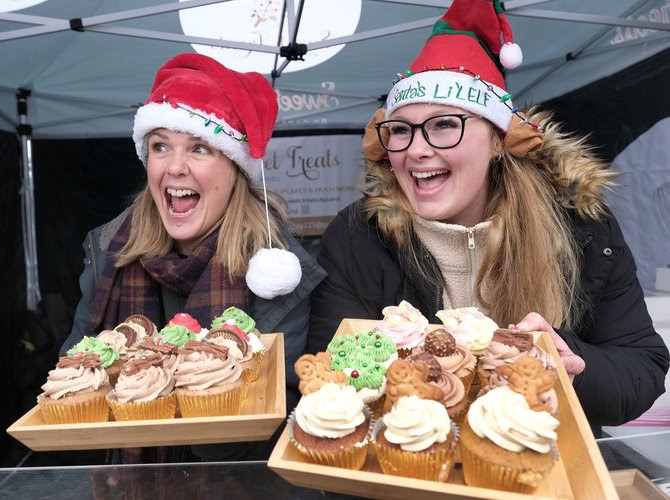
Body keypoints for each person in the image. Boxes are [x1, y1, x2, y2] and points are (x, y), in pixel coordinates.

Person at [309, 0, 669, 435]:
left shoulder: (582, 227)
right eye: (400, 130)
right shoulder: (356, 237)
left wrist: (571, 363)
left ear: (499, 140)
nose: (417, 150)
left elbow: (642, 367)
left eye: (444, 125)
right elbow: (332, 378)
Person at [62, 52, 326, 460]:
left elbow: (279, 417)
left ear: (235, 169)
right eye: (160, 146)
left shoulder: (277, 267)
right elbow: (73, 383)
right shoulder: (108, 252)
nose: (175, 168)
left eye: (200, 149)